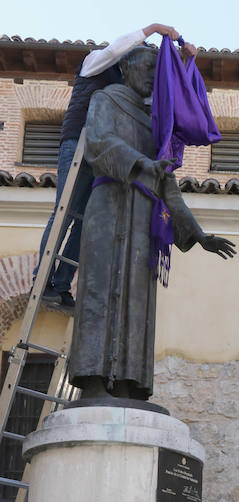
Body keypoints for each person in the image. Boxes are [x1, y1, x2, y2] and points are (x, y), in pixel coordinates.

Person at [68, 44, 235, 402]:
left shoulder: (156, 123)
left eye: (153, 73)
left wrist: (197, 234)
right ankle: (93, 382)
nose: (149, 79)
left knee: (137, 299)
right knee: (100, 291)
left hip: (143, 217)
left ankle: (129, 384)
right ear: (126, 69)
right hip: (109, 208)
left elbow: (167, 183)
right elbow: (99, 143)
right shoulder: (105, 100)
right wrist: (142, 164)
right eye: (145, 70)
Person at [34, 24, 190, 311]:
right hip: (77, 146)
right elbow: (117, 48)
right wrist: (153, 29)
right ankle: (41, 280)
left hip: (98, 155)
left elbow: (159, 99)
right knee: (65, 213)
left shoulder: (125, 85)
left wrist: (184, 62)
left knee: (84, 220)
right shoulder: (94, 62)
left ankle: (61, 284)